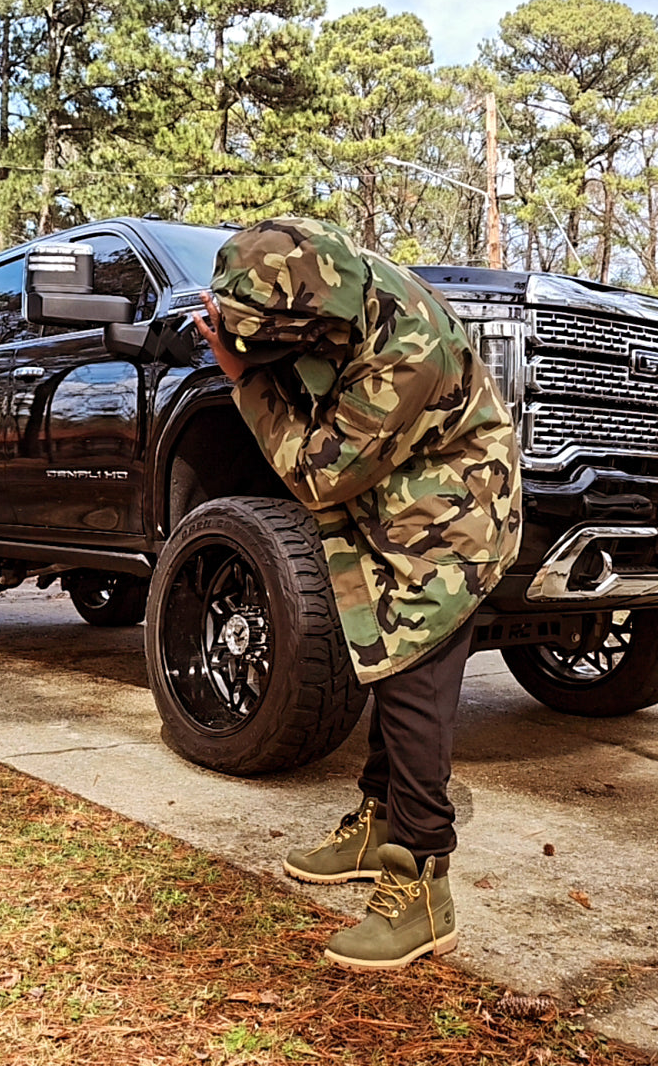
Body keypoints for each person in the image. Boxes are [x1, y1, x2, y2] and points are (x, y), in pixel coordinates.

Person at [194, 216, 521, 971]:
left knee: (412, 677)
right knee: (380, 656)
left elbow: (319, 474)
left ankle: (422, 883)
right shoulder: (333, 282)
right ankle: (379, 822)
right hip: (395, 496)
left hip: (454, 515)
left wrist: (244, 380)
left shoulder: (407, 352)